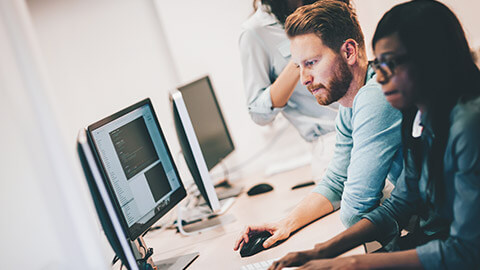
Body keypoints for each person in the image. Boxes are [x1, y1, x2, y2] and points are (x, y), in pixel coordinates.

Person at [268, 1, 480, 269]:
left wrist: (355, 263)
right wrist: (320, 251)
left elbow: (466, 252)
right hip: (437, 244)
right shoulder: (419, 120)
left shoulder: (469, 125)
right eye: (379, 63)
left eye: (391, 63)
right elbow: (399, 205)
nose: (379, 77)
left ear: (431, 60)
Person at [234, 0, 403, 252]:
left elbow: (355, 211)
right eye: (298, 66)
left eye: (311, 63)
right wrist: (286, 223)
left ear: (348, 52)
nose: (303, 80)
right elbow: (335, 182)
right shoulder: (348, 107)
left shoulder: (375, 95)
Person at [239, 0, 338, 143]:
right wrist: (300, 58)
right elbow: (258, 112)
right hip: (330, 137)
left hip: (364, 119)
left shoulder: (323, 6)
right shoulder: (255, 32)